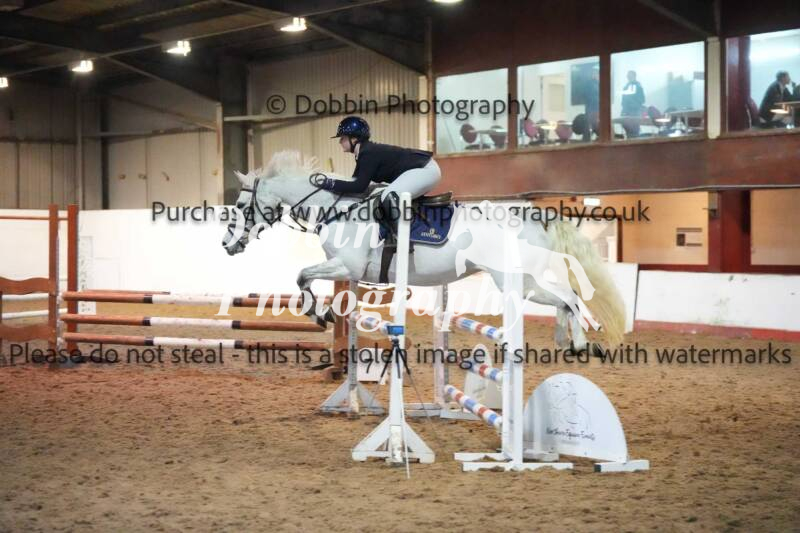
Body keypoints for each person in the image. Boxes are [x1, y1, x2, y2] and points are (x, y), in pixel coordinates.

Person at [319, 116, 440, 236]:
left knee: (388, 195)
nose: (340, 142)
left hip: (426, 169)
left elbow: (359, 186)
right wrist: (332, 184)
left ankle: (402, 238)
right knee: (382, 193)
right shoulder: (363, 153)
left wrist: (331, 183)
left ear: (354, 138)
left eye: (343, 138)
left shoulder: (368, 153)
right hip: (422, 169)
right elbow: (354, 182)